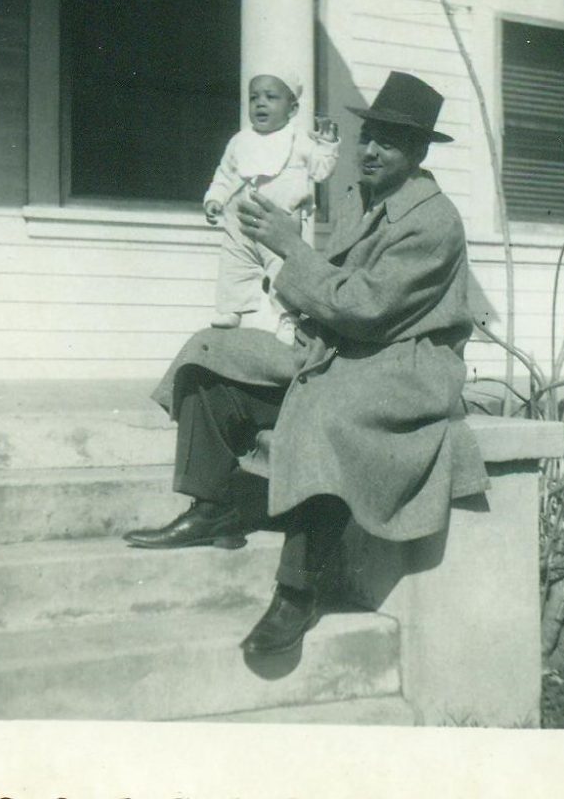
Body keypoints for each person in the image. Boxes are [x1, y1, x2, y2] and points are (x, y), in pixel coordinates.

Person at [125, 71, 488, 656]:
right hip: (339, 345)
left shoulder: (433, 220)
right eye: (367, 135)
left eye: (387, 142)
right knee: (210, 354)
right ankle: (212, 505)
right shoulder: (360, 197)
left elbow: (367, 307)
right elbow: (339, 300)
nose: (368, 150)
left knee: (321, 414)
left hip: (405, 365)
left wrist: (289, 248)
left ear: (417, 153)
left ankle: (298, 592)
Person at [204, 71, 339, 343]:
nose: (260, 103)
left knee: (283, 268)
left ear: (293, 109)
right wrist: (214, 199)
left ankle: (288, 317)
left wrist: (326, 144)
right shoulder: (240, 141)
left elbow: (321, 170)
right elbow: (225, 174)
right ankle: (230, 309)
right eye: (254, 98)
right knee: (233, 263)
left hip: (281, 224)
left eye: (271, 97)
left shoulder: (299, 140)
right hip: (241, 221)